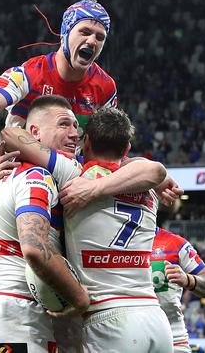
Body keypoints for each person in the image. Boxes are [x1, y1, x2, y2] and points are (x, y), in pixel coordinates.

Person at [0, 95, 167, 352]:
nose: (75, 134)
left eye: (76, 127)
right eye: (64, 125)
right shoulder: (38, 175)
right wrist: (79, 298)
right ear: (34, 132)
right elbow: (34, 248)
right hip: (15, 310)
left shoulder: (4, 174)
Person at [64, 107, 172, 352]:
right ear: (126, 151)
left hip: (108, 316)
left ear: (86, 142)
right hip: (154, 317)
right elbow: (154, 170)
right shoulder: (150, 191)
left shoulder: (74, 179)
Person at [0, 0, 116, 139]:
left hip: (74, 167)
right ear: (65, 33)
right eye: (85, 32)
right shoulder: (29, 74)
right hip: (22, 165)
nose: (92, 41)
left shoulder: (105, 87)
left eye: (100, 37)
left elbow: (105, 144)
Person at [150, 227, 205, 353]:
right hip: (128, 336)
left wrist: (188, 279)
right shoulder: (111, 244)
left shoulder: (175, 243)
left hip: (173, 337)